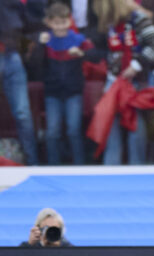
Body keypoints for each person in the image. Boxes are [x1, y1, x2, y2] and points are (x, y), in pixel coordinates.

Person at [92, 0, 154, 165]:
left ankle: (136, 167)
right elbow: (111, 53)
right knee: (110, 122)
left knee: (135, 123)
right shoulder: (111, 25)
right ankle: (111, 166)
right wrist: (109, 78)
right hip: (115, 80)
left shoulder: (140, 19)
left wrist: (136, 65)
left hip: (138, 80)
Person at [37, 2, 92, 165]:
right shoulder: (45, 40)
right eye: (56, 22)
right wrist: (40, 46)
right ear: (49, 22)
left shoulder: (77, 39)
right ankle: (53, 166)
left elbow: (95, 56)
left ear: (69, 21)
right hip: (52, 93)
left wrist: (81, 53)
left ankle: (79, 166)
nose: (60, 27)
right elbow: (36, 65)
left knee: (73, 131)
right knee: (52, 132)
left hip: (73, 92)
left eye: (63, 22)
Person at [0, 0, 45, 165]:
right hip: (10, 55)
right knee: (22, 113)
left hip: (12, 55)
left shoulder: (13, 3)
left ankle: (32, 164)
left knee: (23, 113)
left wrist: (29, 45)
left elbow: (27, 27)